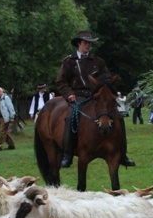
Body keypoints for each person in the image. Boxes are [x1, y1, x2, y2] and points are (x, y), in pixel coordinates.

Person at [55, 30, 135, 168]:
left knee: (118, 117)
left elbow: (106, 79)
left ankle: (122, 154)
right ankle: (67, 154)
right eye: (86, 43)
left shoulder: (98, 61)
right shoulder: (69, 62)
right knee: (70, 117)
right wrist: (68, 94)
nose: (88, 46)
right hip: (78, 96)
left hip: (95, 95)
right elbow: (61, 82)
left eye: (90, 43)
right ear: (79, 43)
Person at [0, 87, 16, 151]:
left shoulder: (6, 98)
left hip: (5, 117)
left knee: (2, 131)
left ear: (2, 91)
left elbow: (10, 107)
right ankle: (11, 145)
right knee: (4, 132)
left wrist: (12, 117)